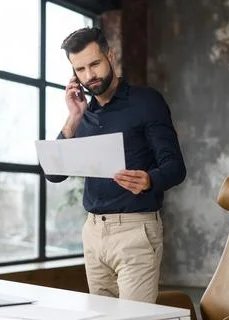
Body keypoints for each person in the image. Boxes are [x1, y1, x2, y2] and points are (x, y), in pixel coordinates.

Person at [45, 27, 186, 303]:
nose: (89, 76)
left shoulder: (146, 102)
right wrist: (73, 118)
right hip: (93, 233)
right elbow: (54, 174)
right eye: (81, 69)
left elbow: (175, 167)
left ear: (110, 55)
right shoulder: (83, 115)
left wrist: (149, 179)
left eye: (95, 64)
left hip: (135, 232)